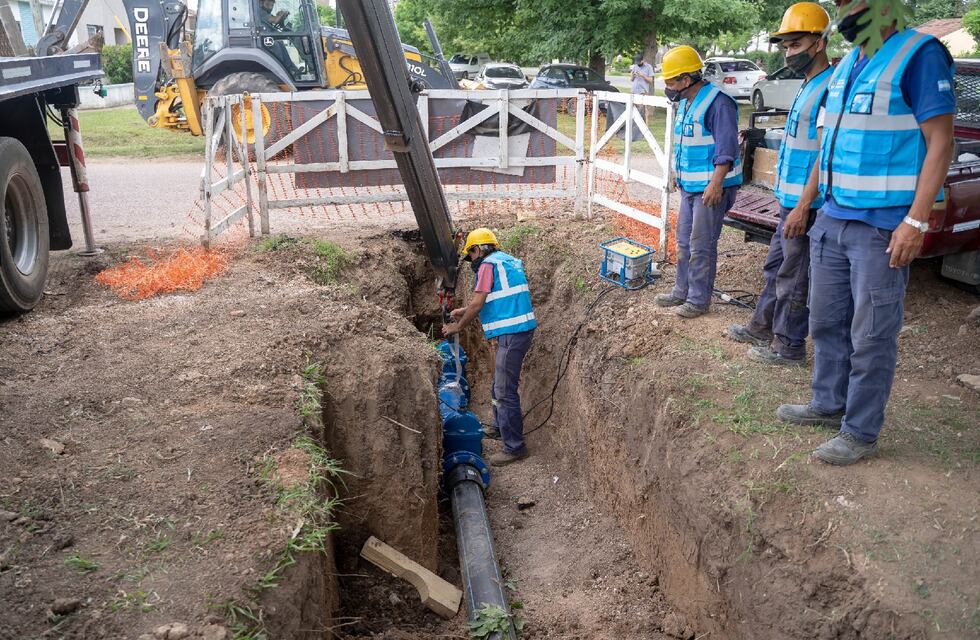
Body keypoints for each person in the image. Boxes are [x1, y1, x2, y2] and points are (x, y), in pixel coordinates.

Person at [777, 0, 955, 465]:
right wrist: (807, 205)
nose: (843, 9)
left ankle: (859, 431)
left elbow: (941, 141)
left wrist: (915, 221)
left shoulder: (919, 54)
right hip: (833, 217)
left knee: (872, 333)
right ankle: (827, 403)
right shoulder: (847, 64)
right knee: (825, 320)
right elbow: (827, 143)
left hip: (882, 226)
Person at [727, 2, 834, 366]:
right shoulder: (807, 84)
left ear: (818, 43)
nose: (789, 52)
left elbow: (824, 153)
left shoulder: (828, 87)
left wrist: (805, 205)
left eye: (796, 44)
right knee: (776, 266)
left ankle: (789, 345)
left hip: (809, 203)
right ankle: (762, 325)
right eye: (785, 46)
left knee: (795, 273)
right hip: (789, 199)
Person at [654, 45, 742, 318]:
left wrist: (716, 184)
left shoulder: (718, 103)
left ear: (686, 79)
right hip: (691, 188)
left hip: (711, 188)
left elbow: (726, 149)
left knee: (701, 244)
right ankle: (681, 291)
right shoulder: (686, 102)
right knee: (683, 242)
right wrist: (675, 173)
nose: (667, 86)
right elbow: (685, 143)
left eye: (671, 81)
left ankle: (698, 299)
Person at [443, 228, 537, 467]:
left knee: (505, 391)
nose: (471, 260)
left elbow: (478, 303)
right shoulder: (506, 261)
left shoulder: (487, 266)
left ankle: (514, 447)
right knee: (498, 384)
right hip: (517, 329)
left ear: (478, 250)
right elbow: (496, 298)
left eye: (470, 255)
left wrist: (457, 327)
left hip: (512, 332)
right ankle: (498, 426)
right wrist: (463, 310)